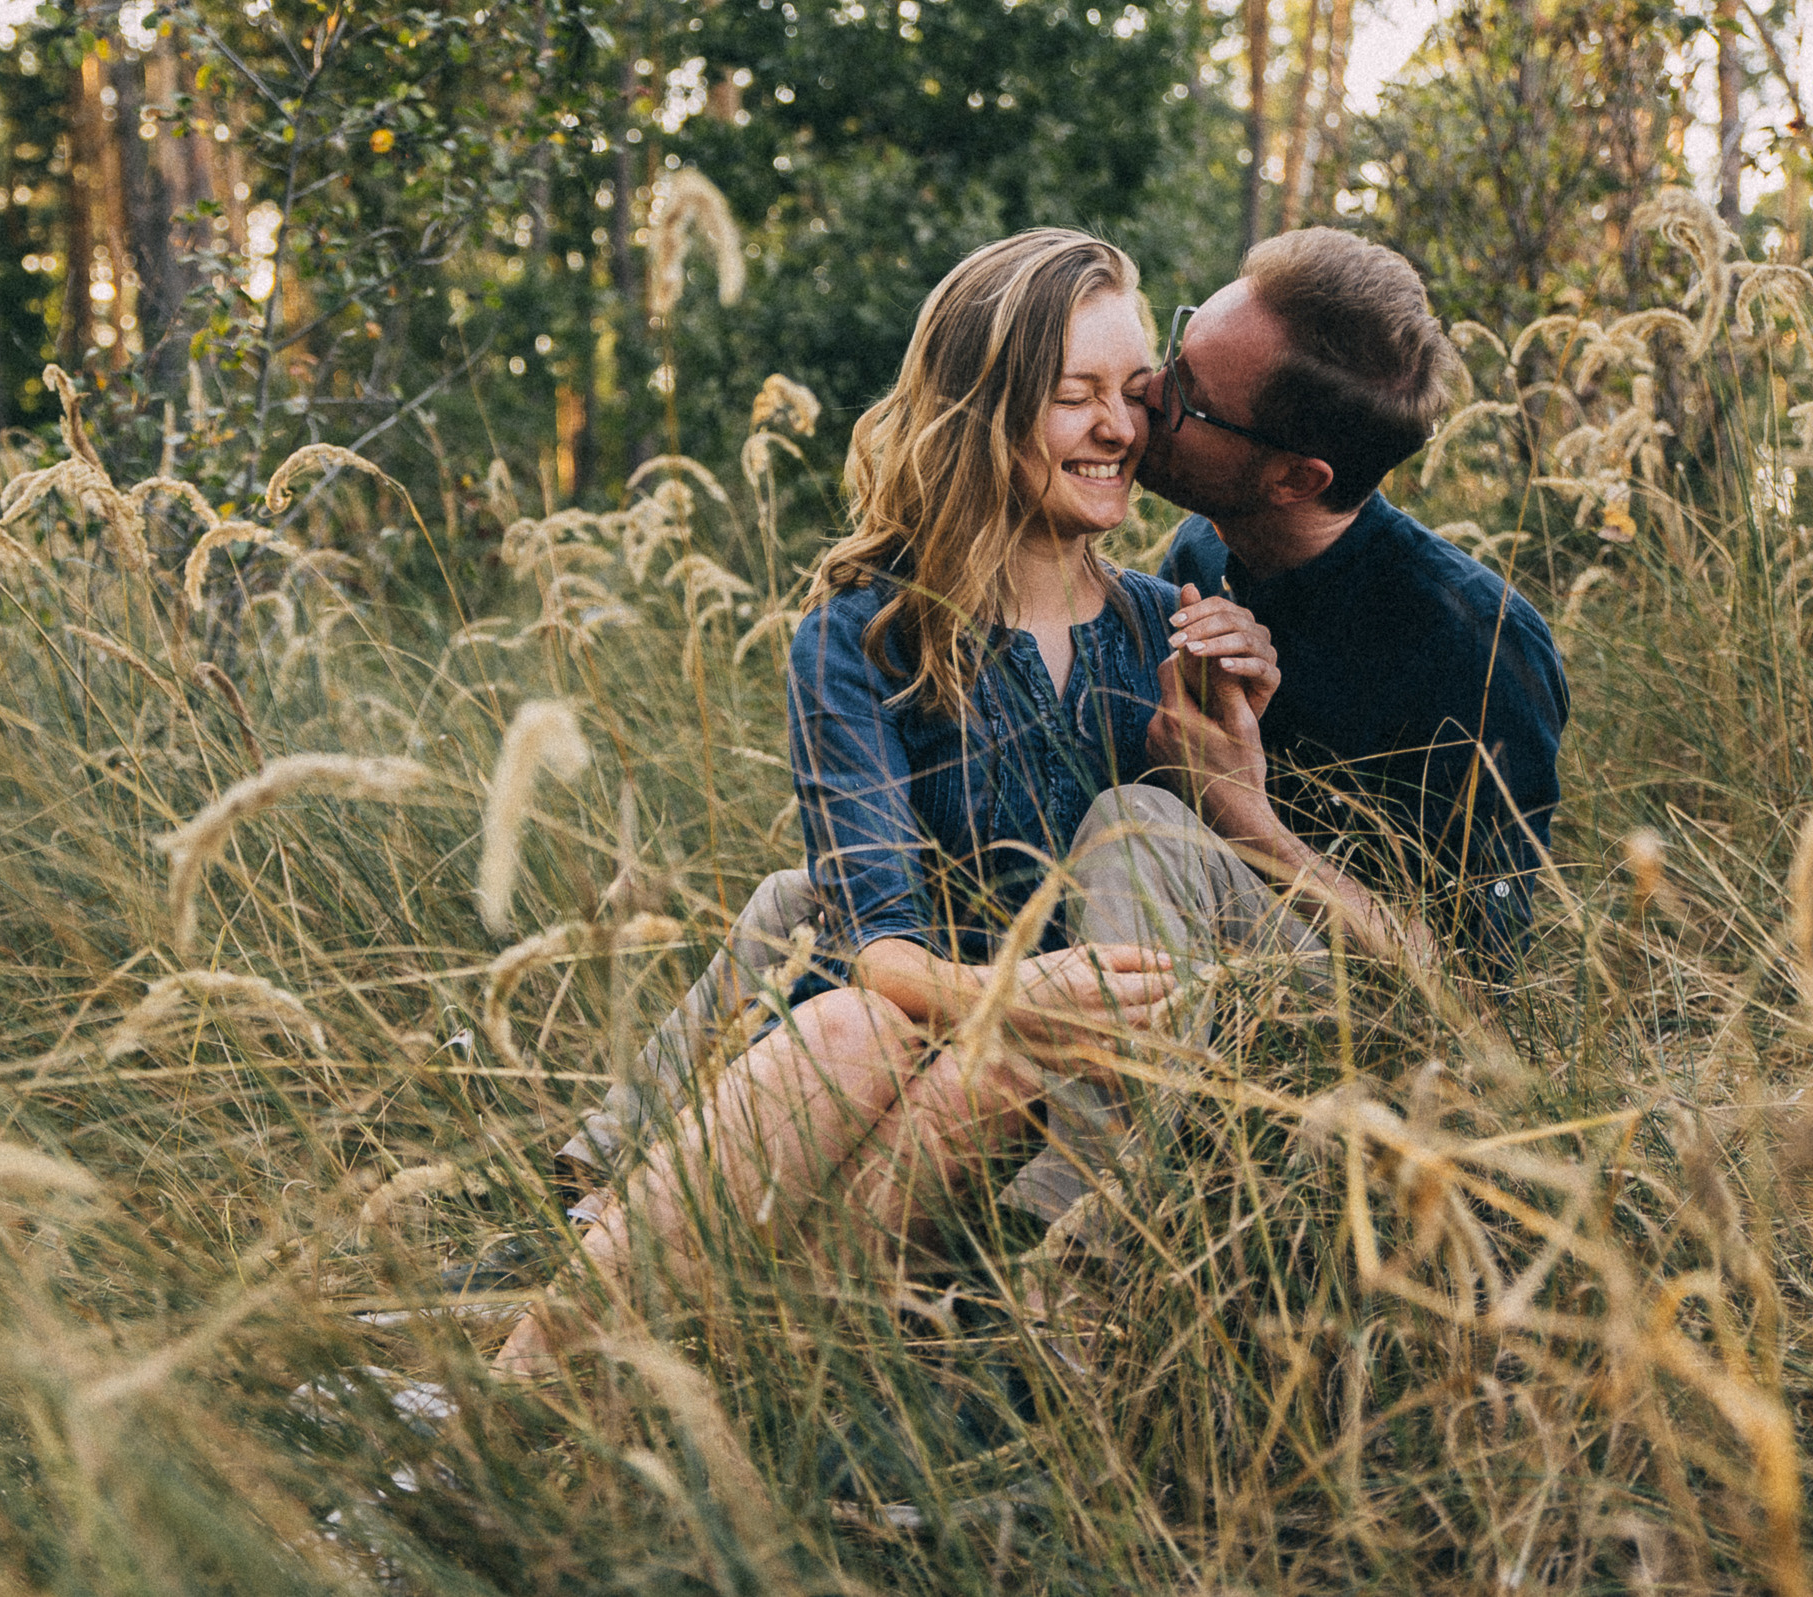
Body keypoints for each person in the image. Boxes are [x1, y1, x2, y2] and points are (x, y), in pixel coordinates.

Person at [492, 228, 1357, 1377]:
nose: (1119, 428)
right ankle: (574, 1363)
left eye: (1133, 393)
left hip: (1086, 1113)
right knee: (847, 996)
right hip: (914, 1043)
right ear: (984, 411)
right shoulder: (864, 634)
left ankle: (755, 1357)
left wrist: (1227, 746)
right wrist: (1015, 995)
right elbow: (878, 943)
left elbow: (1194, 904)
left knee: (950, 1043)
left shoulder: (1170, 624)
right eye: (1072, 396)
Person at [1137, 227, 1568, 979]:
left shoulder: (1483, 647)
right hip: (1202, 962)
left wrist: (1242, 810)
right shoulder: (1200, 556)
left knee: (1132, 828)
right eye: (1177, 350)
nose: (1145, 388)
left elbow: (1482, 990)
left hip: (1370, 1046)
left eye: (1189, 399)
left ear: (1296, 481)